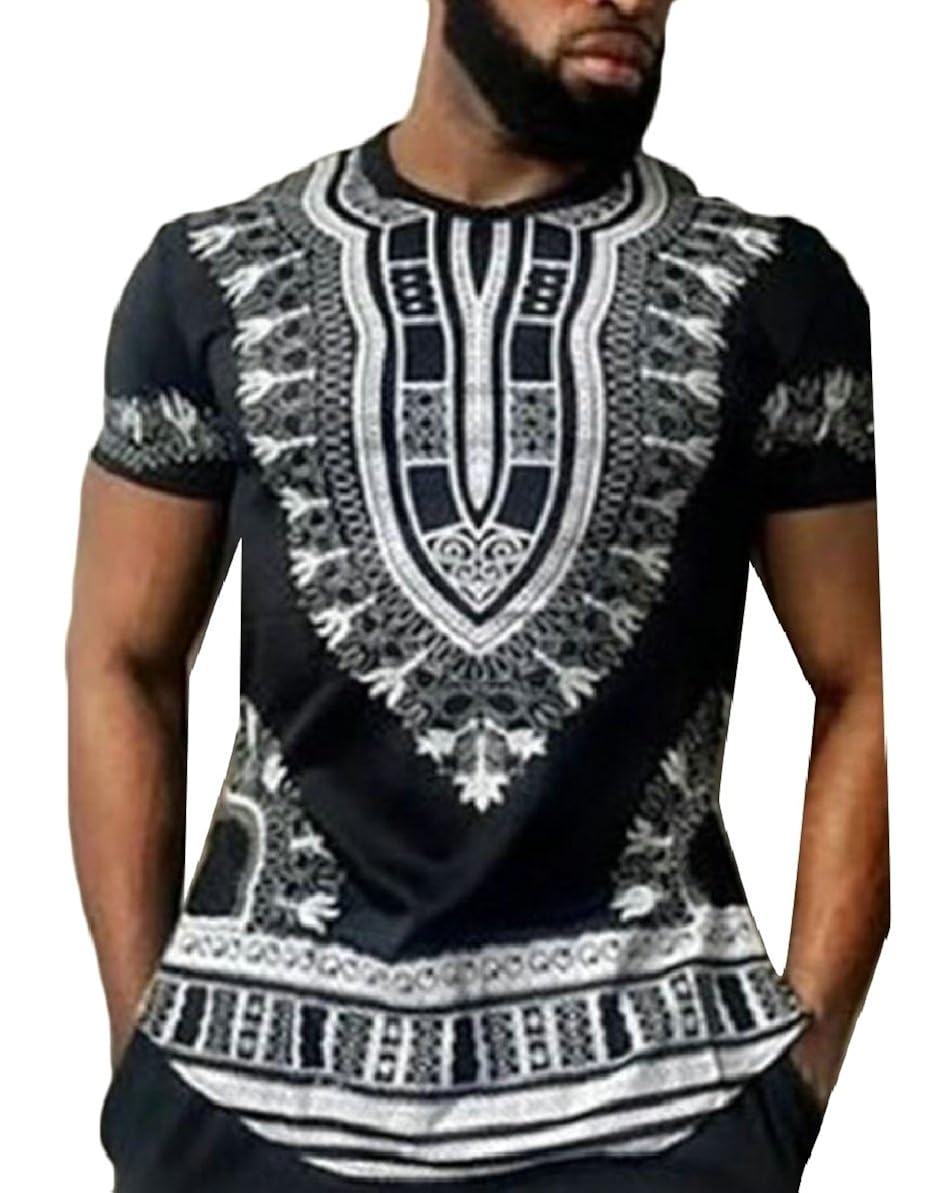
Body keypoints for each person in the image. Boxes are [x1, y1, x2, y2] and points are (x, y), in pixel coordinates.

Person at [66, 2, 889, 1191]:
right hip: (249, 1108)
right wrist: (143, 1058)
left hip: (657, 1112)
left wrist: (793, 1076)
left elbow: (867, 676)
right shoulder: (211, 277)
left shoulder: (769, 290)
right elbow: (122, 655)